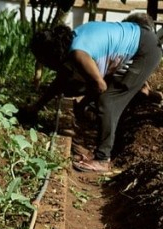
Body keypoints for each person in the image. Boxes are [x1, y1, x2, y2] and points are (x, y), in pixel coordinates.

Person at [21, 17, 163, 173]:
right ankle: (144, 92)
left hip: (144, 50)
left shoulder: (79, 54)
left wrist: (82, 106)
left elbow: (100, 86)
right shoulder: (72, 40)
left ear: (51, 54)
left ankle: (102, 159)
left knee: (107, 102)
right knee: (81, 86)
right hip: (139, 43)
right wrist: (35, 107)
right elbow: (60, 82)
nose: (46, 66)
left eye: (43, 61)